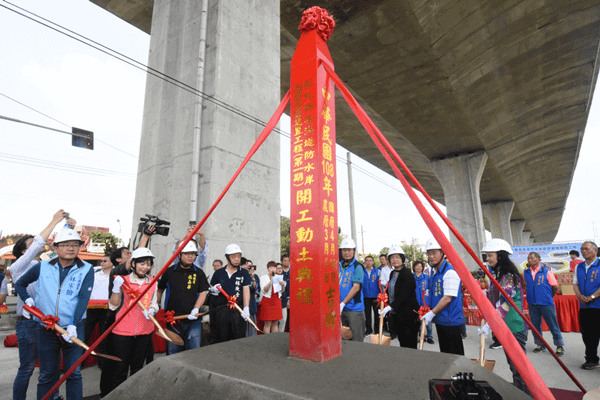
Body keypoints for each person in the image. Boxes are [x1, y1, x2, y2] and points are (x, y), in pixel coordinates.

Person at [15, 228, 94, 400]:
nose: (71, 248)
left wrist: (73, 323)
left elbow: (83, 298)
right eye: (65, 245)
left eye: (75, 244)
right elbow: (20, 284)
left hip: (74, 327)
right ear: (56, 248)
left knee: (73, 373)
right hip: (45, 327)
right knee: (47, 374)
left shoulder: (87, 269)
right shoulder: (43, 266)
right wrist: (27, 300)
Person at [11, 210, 70, 400]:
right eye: (32, 245)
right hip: (28, 324)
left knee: (50, 366)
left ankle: (50, 397)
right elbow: (38, 242)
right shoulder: (18, 267)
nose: (41, 244)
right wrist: (54, 221)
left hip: (47, 322)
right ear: (23, 251)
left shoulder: (45, 266)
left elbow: (61, 250)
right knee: (27, 368)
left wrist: (67, 227)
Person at [479, 239, 531, 396]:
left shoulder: (509, 276)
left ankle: (524, 396)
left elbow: (505, 304)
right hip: (504, 326)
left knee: (519, 369)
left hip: (514, 326)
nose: (487, 259)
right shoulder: (498, 274)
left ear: (500, 256)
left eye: (490, 255)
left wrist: (489, 324)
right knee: (514, 367)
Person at [109, 247, 159, 391]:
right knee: (120, 369)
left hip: (144, 331)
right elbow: (113, 306)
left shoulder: (154, 281)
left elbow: (155, 303)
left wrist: (152, 310)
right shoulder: (123, 281)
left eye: (148, 264)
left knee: (138, 369)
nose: (145, 267)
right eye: (141, 263)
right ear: (133, 264)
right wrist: (115, 289)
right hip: (123, 332)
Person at [157, 240, 209, 354]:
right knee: (173, 353)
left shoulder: (199, 273)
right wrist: (155, 305)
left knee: (192, 353)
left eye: (193, 254)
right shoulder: (170, 271)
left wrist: (196, 308)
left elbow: (202, 293)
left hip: (193, 321)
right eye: (187, 253)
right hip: (172, 320)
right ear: (179, 254)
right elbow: (160, 290)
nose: (190, 256)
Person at [420, 238, 464, 355]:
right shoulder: (434, 272)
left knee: (455, 355)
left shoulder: (450, 272)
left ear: (443, 253)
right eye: (429, 253)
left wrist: (432, 312)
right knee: (445, 354)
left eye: (434, 253)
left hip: (450, 320)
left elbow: (447, 298)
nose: (431, 256)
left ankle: (459, 374)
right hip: (440, 319)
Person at [524, 252, 565, 356]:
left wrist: (549, 296)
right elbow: (525, 286)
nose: (529, 260)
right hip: (532, 304)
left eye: (531, 258)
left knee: (553, 325)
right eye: (528, 258)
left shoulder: (546, 272)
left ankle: (559, 346)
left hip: (546, 303)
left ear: (538, 259)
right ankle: (540, 344)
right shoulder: (526, 273)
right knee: (535, 325)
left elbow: (555, 286)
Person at [209, 244, 251, 342]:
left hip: (237, 310)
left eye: (238, 256)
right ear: (227, 258)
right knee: (221, 338)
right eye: (233, 257)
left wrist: (246, 307)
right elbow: (211, 287)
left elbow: (246, 290)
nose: (237, 259)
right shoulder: (219, 273)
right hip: (221, 311)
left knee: (238, 338)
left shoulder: (244, 273)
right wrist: (213, 290)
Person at [379, 246, 420, 348]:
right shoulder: (392, 273)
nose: (395, 260)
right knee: (402, 341)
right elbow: (391, 290)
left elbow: (404, 295)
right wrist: (383, 302)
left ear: (402, 259)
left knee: (409, 342)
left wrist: (390, 307)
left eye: (397, 257)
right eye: (392, 258)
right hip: (397, 314)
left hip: (408, 314)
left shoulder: (407, 274)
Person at [573, 241, 600, 370]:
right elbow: (575, 283)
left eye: (586, 249)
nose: (583, 251)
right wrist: (579, 296)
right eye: (582, 249)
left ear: (595, 251)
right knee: (587, 334)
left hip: (598, 306)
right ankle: (591, 359)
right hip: (584, 307)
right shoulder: (579, 266)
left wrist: (592, 297)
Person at [84, 254, 114, 368]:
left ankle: (102, 363)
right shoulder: (94, 275)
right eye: (101, 261)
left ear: (112, 263)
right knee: (86, 335)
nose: (102, 263)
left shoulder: (115, 276)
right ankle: (81, 361)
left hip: (107, 310)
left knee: (104, 337)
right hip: (91, 309)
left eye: (105, 261)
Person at [339, 238, 365, 342]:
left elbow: (356, 288)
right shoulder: (338, 265)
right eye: (344, 250)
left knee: (356, 338)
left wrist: (343, 303)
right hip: (340, 307)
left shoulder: (357, 266)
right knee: (343, 337)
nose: (347, 253)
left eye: (349, 250)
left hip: (354, 309)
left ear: (354, 251)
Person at [259, 261, 284, 333]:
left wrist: (282, 285)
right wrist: (271, 282)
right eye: (271, 268)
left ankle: (274, 340)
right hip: (267, 301)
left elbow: (282, 291)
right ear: (268, 269)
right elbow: (264, 290)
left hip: (276, 300)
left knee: (276, 322)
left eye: (274, 268)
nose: (273, 269)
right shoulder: (263, 277)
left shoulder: (278, 277)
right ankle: (266, 340)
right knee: (268, 323)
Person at [413, 260, 434, 344]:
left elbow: (430, 289)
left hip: (426, 303)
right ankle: (419, 336)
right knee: (417, 321)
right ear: (414, 267)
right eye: (417, 266)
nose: (419, 268)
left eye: (420, 266)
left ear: (422, 268)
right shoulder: (411, 277)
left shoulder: (426, 277)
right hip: (416, 303)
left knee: (428, 322)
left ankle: (429, 336)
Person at [362, 255, 380, 337]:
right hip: (366, 296)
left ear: (373, 262)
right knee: (367, 314)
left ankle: (377, 330)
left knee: (377, 314)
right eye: (367, 260)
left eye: (370, 260)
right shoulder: (362, 271)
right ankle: (368, 330)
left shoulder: (378, 271)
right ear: (365, 262)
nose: (368, 262)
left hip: (376, 296)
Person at [243, 260, 260, 336]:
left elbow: (255, 289)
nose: (250, 269)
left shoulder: (255, 276)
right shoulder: (242, 275)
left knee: (252, 323)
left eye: (251, 267)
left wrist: (252, 277)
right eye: (248, 267)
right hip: (243, 303)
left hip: (252, 302)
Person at [281, 255, 291, 332]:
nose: (287, 262)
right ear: (281, 262)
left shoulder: (292, 271)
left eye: (288, 260)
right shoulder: (280, 273)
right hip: (283, 299)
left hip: (292, 299)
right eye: (285, 260)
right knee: (283, 319)